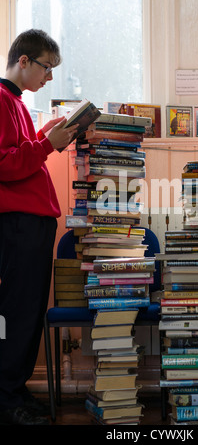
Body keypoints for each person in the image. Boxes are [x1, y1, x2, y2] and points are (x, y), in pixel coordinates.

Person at [0, 29, 79, 425]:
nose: (49, 78)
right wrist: (48, 144)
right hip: (17, 223)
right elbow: (5, 165)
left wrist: (44, 135)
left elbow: (18, 152)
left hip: (31, 222)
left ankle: (15, 391)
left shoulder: (14, 101)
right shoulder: (0, 99)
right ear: (24, 61)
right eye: (47, 68)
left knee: (29, 311)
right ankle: (6, 398)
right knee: (18, 311)